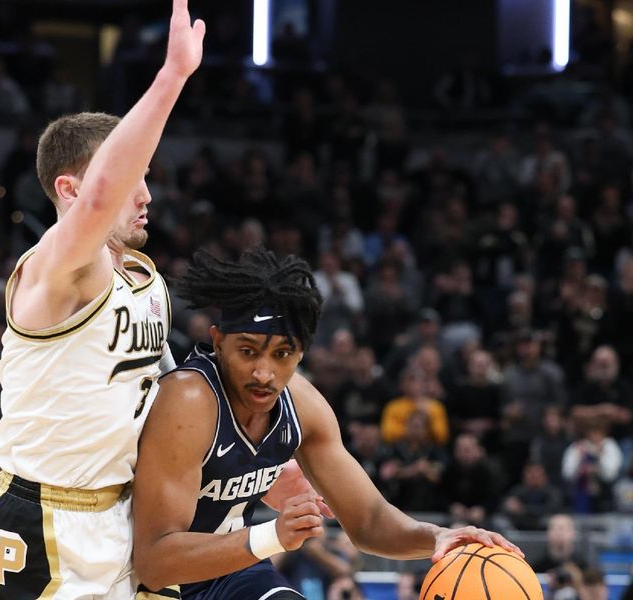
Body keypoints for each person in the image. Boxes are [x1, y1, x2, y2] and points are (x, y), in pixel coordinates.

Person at [0, 1, 206, 598]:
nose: (146, 194)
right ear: (69, 190)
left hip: (125, 512)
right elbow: (103, 194)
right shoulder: (58, 267)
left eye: (149, 176)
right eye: (135, 177)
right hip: (44, 518)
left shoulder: (145, 281)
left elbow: (169, 398)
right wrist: (171, 76)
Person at [133, 247, 521, 600]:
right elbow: (154, 560)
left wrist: (438, 536)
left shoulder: (301, 405)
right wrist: (272, 534)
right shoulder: (189, 401)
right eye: (248, 351)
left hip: (233, 571)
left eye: (282, 353)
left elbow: (368, 521)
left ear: (301, 352)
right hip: (162, 582)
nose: (264, 373)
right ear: (217, 341)